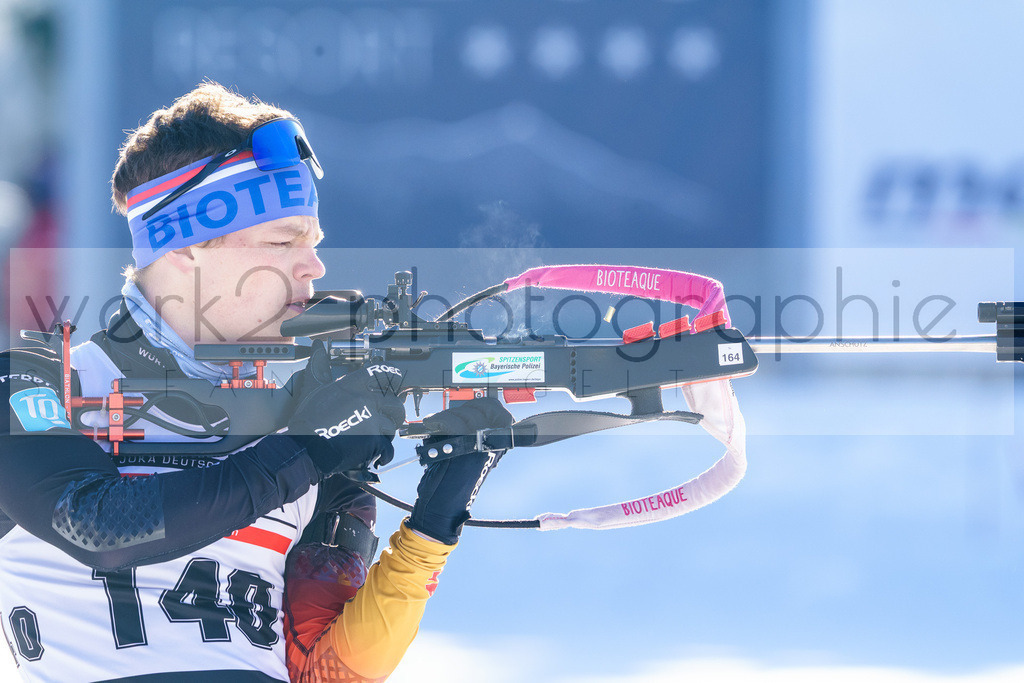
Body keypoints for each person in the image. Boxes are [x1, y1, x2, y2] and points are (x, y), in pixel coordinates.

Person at [0, 82, 512, 682]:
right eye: (282, 241)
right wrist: (310, 447)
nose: (315, 266)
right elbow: (95, 525)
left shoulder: (295, 414)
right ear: (184, 247)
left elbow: (328, 671)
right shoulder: (36, 378)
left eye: (313, 242)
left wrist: (435, 518)